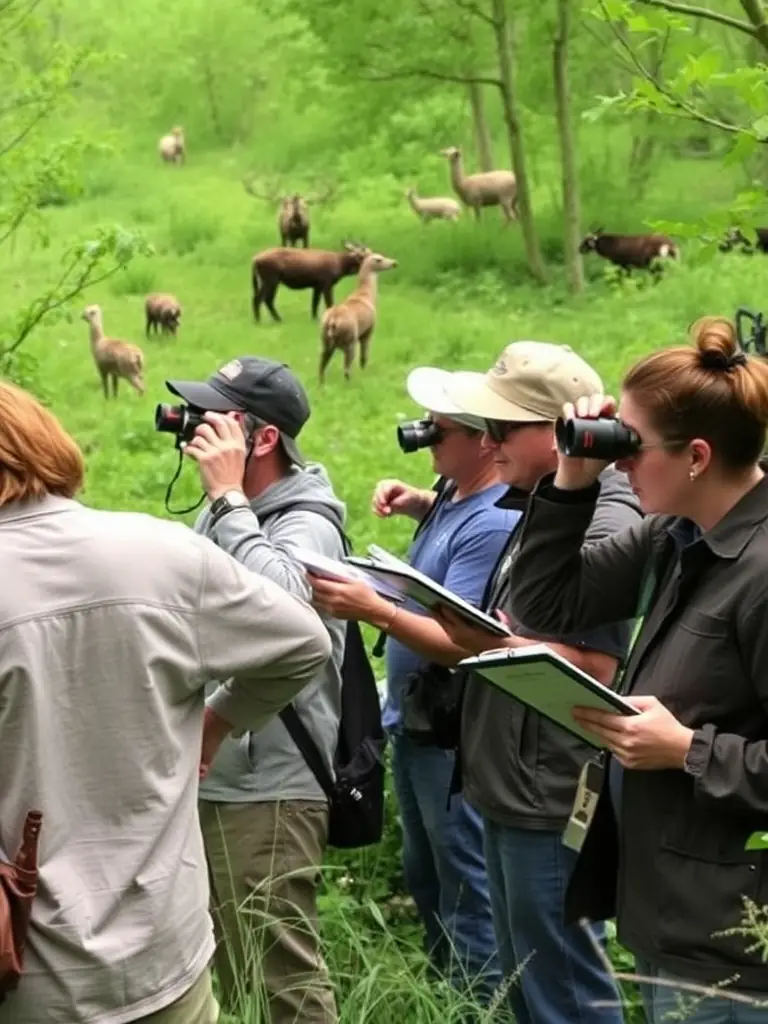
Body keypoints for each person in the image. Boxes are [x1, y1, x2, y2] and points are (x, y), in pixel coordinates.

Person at [0, 380, 332, 1024]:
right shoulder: (163, 549)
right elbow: (303, 641)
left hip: (25, 970)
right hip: (166, 953)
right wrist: (221, 720)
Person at [507, 316, 768, 1023]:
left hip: (735, 942)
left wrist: (686, 750)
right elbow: (542, 603)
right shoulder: (675, 536)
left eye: (630, 445)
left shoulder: (762, 569)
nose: (618, 462)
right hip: (669, 908)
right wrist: (571, 476)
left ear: (697, 457)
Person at [423, 341, 642, 1024]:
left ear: (560, 433)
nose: (486, 443)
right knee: (530, 978)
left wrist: (489, 643)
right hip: (510, 779)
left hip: (548, 788)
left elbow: (597, 671)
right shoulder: (539, 501)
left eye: (500, 427)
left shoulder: (606, 518)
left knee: (564, 987)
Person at [310, 366, 518, 1006]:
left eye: (441, 429)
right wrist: (423, 503)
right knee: (426, 875)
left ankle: (475, 1004)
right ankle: (447, 992)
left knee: (464, 883)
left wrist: (375, 609)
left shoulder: (489, 523)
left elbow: (462, 642)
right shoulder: (457, 493)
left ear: (486, 441)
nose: (425, 437)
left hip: (450, 734)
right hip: (417, 724)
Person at [168, 356, 345, 1024]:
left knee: (282, 976)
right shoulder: (224, 515)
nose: (193, 427)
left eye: (213, 415)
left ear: (260, 438)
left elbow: (290, 613)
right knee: (231, 966)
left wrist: (230, 499)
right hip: (222, 772)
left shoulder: (305, 521)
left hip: (271, 783)